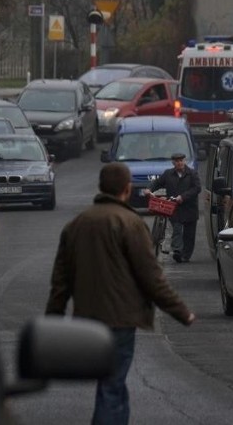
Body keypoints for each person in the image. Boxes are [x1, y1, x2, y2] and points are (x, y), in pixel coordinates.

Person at [45, 162, 196, 424]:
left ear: (100, 187)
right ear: (127, 189)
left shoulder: (76, 225)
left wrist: (53, 318)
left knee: (112, 383)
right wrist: (181, 312)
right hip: (121, 319)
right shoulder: (131, 223)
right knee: (112, 384)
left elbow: (61, 280)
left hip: (87, 318)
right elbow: (151, 276)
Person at [143, 152, 202, 263]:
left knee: (189, 234)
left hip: (189, 208)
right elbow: (157, 183)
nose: (179, 163)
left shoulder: (192, 174)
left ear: (185, 161)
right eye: (177, 161)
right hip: (175, 208)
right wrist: (149, 189)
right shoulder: (168, 174)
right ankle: (177, 251)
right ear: (173, 163)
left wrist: (183, 197)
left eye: (181, 160)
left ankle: (186, 255)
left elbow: (197, 188)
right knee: (177, 229)